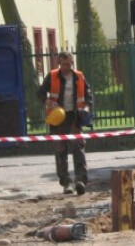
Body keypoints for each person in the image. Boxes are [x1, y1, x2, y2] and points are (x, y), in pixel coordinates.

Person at [37, 51, 94, 195]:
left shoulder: (79, 76)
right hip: (57, 119)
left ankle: (80, 181)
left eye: (68, 63)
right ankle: (67, 183)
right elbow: (40, 93)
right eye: (63, 64)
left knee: (78, 148)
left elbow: (88, 94)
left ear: (72, 62)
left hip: (74, 118)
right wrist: (47, 101)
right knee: (60, 151)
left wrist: (86, 107)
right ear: (59, 64)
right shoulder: (52, 76)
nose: (66, 67)